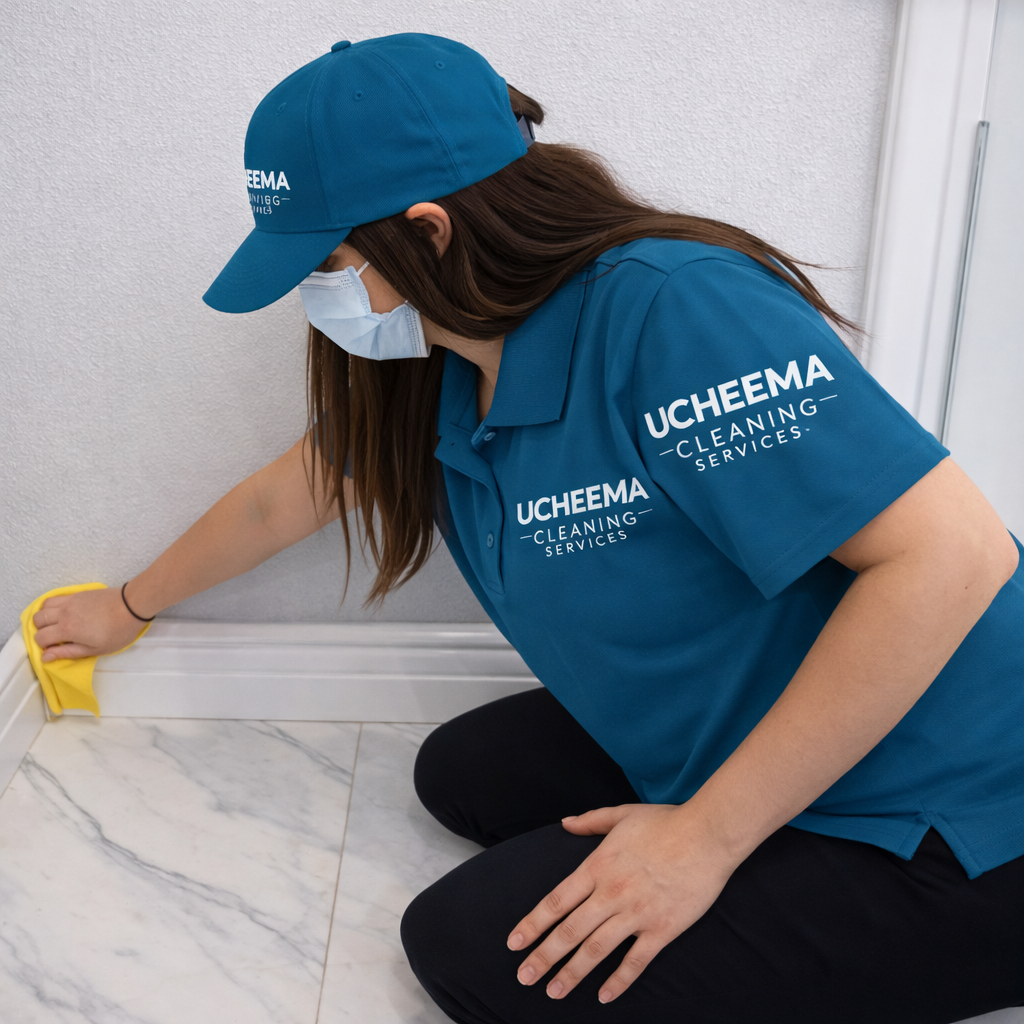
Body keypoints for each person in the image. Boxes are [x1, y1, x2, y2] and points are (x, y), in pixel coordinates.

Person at [31, 33, 1023, 1024]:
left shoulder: (679, 310)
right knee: (466, 776)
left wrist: (703, 842)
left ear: (427, 232)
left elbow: (951, 553)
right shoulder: (450, 356)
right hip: (773, 701)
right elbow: (293, 492)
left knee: (469, 947)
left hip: (957, 799)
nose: (315, 297)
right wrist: (128, 605)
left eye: (325, 264)